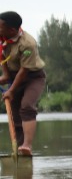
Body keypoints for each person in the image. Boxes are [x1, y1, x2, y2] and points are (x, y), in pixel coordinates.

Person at [0, 11, 47, 157]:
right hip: (14, 77)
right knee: (15, 115)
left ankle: (27, 145)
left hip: (33, 77)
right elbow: (3, 59)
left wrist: (11, 91)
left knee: (26, 106)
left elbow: (24, 71)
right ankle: (19, 149)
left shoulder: (28, 43)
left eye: (0, 27)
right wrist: (6, 76)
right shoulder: (2, 38)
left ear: (12, 30)